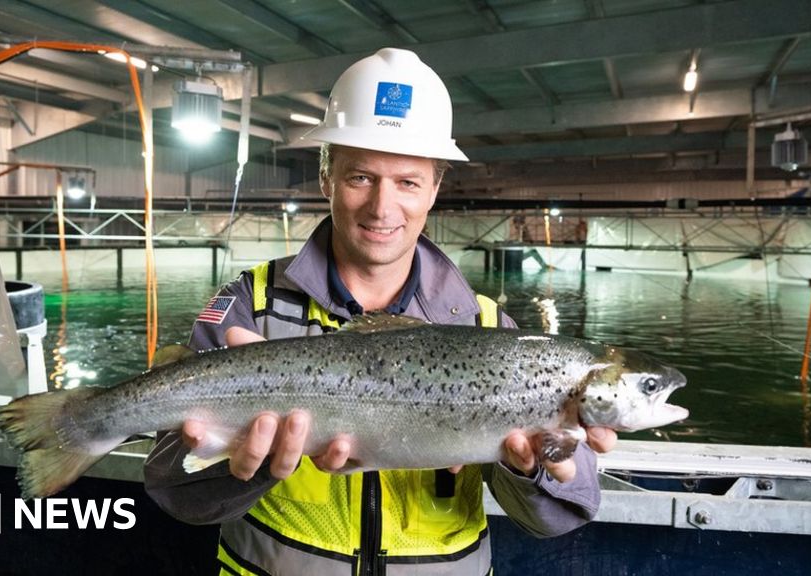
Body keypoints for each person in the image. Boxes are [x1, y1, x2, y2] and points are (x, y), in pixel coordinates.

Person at [144, 47, 616, 575]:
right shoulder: (246, 307)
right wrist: (251, 466)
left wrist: (529, 470)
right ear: (326, 177)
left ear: (435, 189)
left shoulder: (488, 330)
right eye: (361, 177)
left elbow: (562, 516)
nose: (382, 207)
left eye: (408, 182)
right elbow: (175, 492)